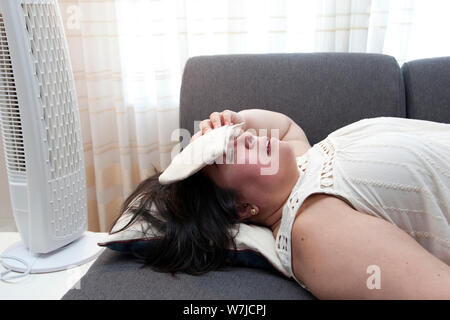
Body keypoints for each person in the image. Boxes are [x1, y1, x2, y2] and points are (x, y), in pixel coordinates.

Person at [113, 108, 450, 299]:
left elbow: (285, 126)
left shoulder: (302, 165)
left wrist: (229, 120)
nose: (245, 135)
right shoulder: (315, 227)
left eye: (235, 136)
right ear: (243, 209)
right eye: (230, 152)